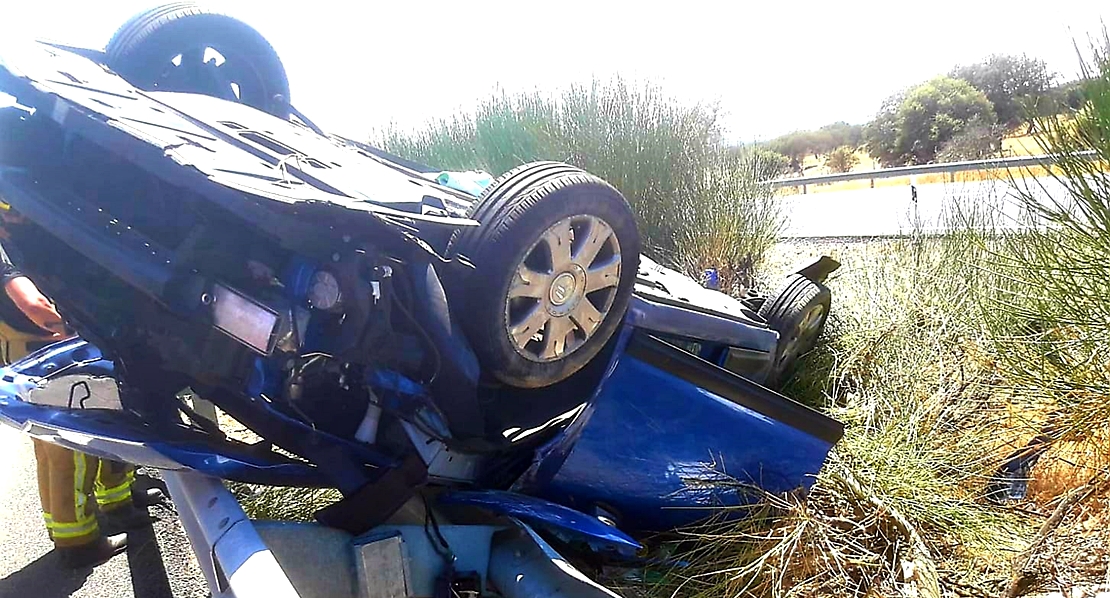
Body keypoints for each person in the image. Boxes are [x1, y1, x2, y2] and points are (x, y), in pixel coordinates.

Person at [0, 237, 156, 569]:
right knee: (73, 450)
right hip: (52, 360)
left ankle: (115, 504)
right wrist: (72, 329)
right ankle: (79, 542)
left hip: (28, 361)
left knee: (67, 446)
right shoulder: (8, 262)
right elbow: (33, 304)